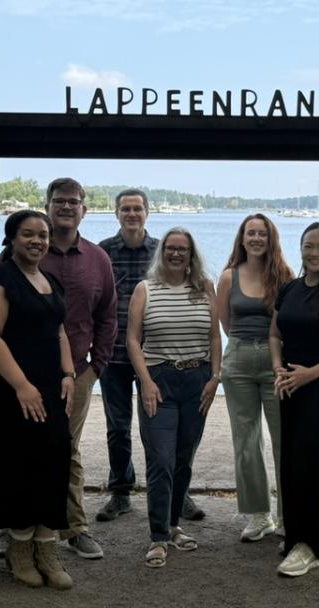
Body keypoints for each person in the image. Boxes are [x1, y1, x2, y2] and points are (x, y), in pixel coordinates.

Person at [0, 209, 75, 589]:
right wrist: (22, 385)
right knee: (21, 466)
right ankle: (19, 548)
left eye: (43, 235)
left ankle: (46, 547)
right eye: (28, 235)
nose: (37, 241)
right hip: (13, 390)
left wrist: (68, 374)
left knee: (55, 461)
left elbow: (59, 331)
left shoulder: (48, 279)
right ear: (12, 239)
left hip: (51, 387)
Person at [95, 190, 206, 523]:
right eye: (126, 209)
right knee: (118, 427)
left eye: (138, 209)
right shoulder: (103, 252)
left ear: (147, 213)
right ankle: (121, 492)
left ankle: (177, 492)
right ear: (116, 213)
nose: (132, 214)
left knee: (167, 431)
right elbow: (94, 300)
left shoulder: (161, 251)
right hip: (114, 353)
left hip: (157, 358)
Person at [126, 227, 221, 568]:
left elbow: (214, 337)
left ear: (191, 254)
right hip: (159, 382)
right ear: (162, 251)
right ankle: (158, 537)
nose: (176, 253)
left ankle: (174, 525)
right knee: (161, 461)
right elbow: (133, 341)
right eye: (170, 248)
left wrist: (214, 377)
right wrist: (146, 381)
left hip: (197, 382)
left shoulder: (205, 289)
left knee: (183, 460)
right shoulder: (145, 289)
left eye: (183, 249)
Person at [39, 178, 118, 560]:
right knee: (25, 447)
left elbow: (108, 316)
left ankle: (74, 528)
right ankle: (19, 529)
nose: (66, 207)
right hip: (30, 372)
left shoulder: (97, 258)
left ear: (84, 209)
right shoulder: (30, 249)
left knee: (66, 448)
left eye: (74, 201)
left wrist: (97, 366)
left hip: (81, 373)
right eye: (59, 201)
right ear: (48, 206)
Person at [269, 222, 319, 577]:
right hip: (290, 386)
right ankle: (298, 534)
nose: (314, 254)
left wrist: (309, 374)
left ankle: (310, 547)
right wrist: (278, 370)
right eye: (308, 246)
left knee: (310, 464)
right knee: (289, 462)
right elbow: (274, 334)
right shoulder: (290, 289)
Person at [215, 214, 293, 542]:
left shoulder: (285, 276)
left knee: (284, 440)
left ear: (270, 238)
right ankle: (260, 515)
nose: (256, 238)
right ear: (242, 238)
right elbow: (225, 323)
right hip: (239, 361)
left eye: (262, 233)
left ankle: (291, 515)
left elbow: (290, 321)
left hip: (277, 365)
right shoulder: (229, 277)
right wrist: (244, 349)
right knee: (246, 442)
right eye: (251, 233)